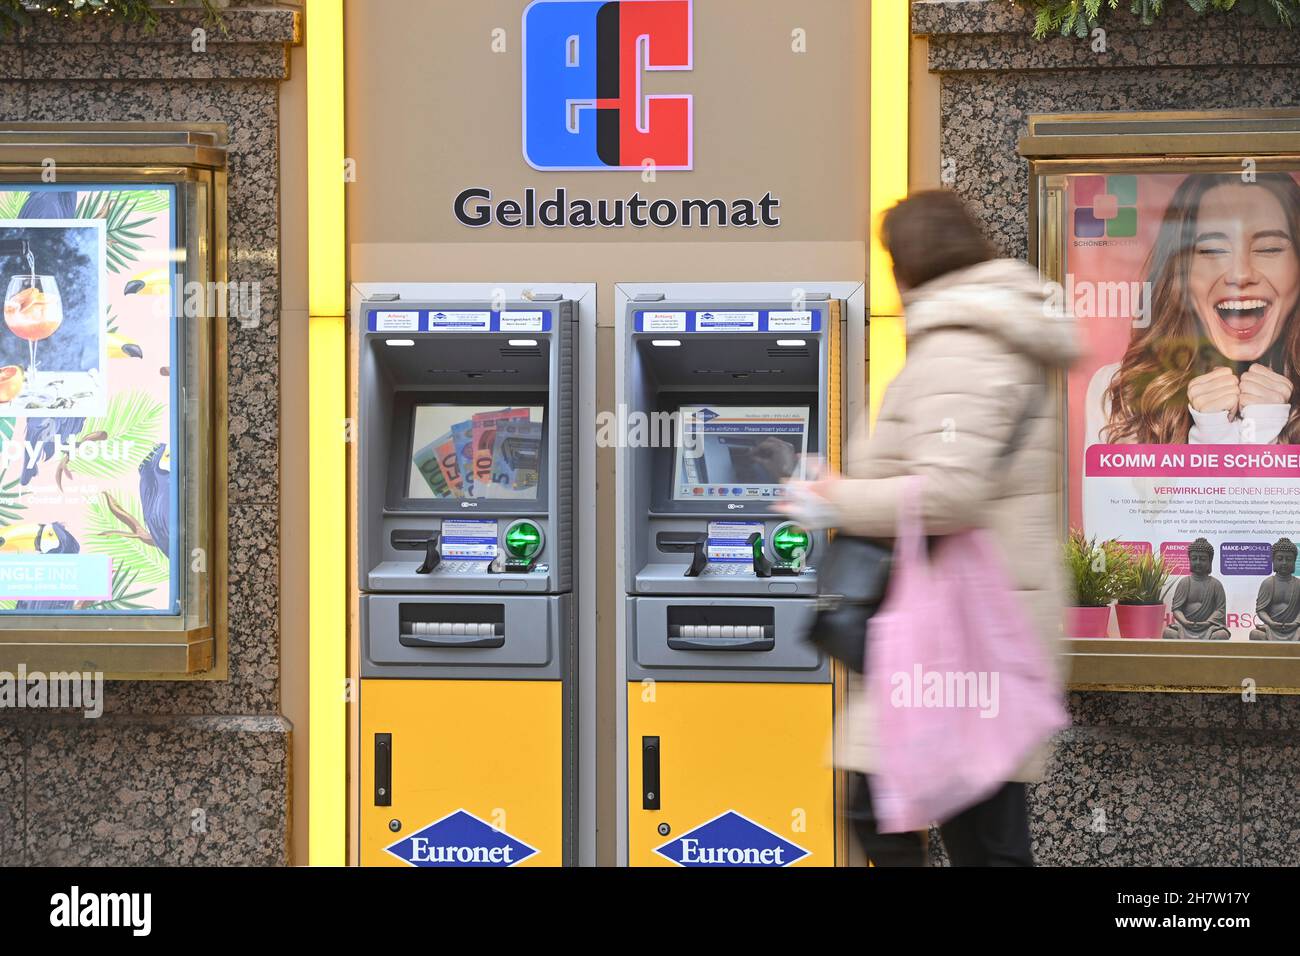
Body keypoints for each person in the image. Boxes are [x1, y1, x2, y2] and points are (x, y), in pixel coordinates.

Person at [778, 190, 1077, 866]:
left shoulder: (961, 346)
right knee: (971, 825)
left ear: (905, 266)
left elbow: (950, 494)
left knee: (891, 813)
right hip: (968, 622)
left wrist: (835, 497)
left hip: (952, 632)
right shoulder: (989, 334)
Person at [1086, 172, 1300, 447]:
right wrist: (1211, 435)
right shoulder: (1120, 394)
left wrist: (1266, 431)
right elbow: (1106, 492)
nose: (1240, 274)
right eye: (1212, 250)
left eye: (1269, 248)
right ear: (1181, 271)